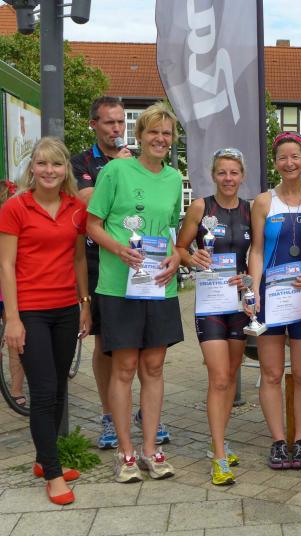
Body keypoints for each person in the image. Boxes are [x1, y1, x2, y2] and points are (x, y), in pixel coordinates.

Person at [86, 102, 184, 483]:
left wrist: (176, 255)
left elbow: (171, 230)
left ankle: (150, 450)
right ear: (139, 135)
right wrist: (119, 249)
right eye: (153, 131)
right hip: (119, 286)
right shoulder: (115, 171)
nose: (160, 139)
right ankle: (125, 453)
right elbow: (92, 225)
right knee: (124, 367)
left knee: (154, 367)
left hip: (159, 285)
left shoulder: (174, 179)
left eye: (166, 133)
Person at [72, 96, 172, 449]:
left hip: (149, 268)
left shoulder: (166, 175)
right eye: (109, 122)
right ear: (95, 125)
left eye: (120, 122)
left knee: (150, 354)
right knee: (109, 347)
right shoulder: (85, 162)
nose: (116, 129)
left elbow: (169, 225)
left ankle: (145, 414)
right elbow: (89, 203)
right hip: (101, 264)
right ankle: (110, 416)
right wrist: (125, 173)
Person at [0, 137, 92, 505]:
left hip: (66, 309)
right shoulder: (15, 207)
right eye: (42, 163)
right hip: (31, 312)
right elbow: (5, 264)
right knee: (42, 391)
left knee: (58, 390)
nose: (49, 170)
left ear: (65, 169)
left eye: (56, 164)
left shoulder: (75, 208)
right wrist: (12, 319)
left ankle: (44, 459)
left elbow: (79, 259)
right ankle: (52, 474)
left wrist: (84, 303)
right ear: (32, 168)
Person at [175, 147, 251, 485]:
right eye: (222, 172)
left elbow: (255, 255)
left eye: (234, 172)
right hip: (210, 304)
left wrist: (249, 279)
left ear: (242, 176)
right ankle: (219, 457)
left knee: (231, 376)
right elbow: (180, 248)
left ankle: (220, 440)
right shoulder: (201, 207)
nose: (228, 178)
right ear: (213, 175)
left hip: (238, 303)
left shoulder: (250, 210)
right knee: (219, 377)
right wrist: (193, 259)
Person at [248, 132, 301, 470]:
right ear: (274, 163)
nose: (289, 163)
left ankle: (300, 440)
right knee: (271, 373)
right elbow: (257, 251)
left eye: (295, 157)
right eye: (282, 158)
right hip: (271, 297)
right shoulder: (264, 202)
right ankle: (278, 440)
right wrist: (253, 291)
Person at [0, 179, 26, 410]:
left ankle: (16, 389)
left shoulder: (13, 218)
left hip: (9, 287)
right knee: (13, 343)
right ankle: (16, 389)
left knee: (14, 341)